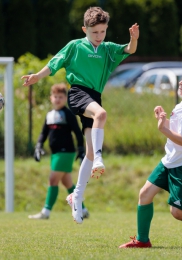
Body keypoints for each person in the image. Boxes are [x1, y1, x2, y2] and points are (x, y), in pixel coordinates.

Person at [21, 6, 139, 224]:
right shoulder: (75, 46)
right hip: (78, 93)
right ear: (85, 29)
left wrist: (134, 39)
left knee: (89, 152)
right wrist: (37, 76)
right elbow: (54, 63)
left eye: (103, 32)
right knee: (101, 115)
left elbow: (129, 50)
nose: (99, 36)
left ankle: (76, 196)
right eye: (95, 32)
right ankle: (100, 159)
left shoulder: (108, 49)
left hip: (94, 96)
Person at [119, 65, 182, 249]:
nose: (181, 82)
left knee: (178, 213)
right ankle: (143, 240)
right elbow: (177, 131)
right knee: (144, 194)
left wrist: (163, 129)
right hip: (170, 160)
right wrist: (162, 120)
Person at [28, 83, 89, 220]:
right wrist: (38, 146)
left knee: (53, 179)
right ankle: (83, 209)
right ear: (51, 98)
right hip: (55, 154)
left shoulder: (68, 114)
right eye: (55, 96)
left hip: (66, 152)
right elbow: (43, 133)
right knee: (67, 183)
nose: (57, 99)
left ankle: (46, 212)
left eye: (61, 97)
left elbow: (78, 133)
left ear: (65, 98)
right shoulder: (49, 115)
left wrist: (81, 149)